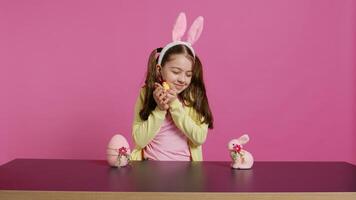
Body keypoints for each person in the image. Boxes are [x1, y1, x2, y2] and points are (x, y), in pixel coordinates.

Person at [130, 12, 213, 161]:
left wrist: (174, 104)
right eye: (176, 72)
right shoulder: (146, 93)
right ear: (159, 70)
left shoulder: (195, 96)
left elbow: (199, 138)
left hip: (186, 171)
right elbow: (139, 140)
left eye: (188, 74)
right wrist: (160, 109)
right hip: (149, 168)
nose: (182, 79)